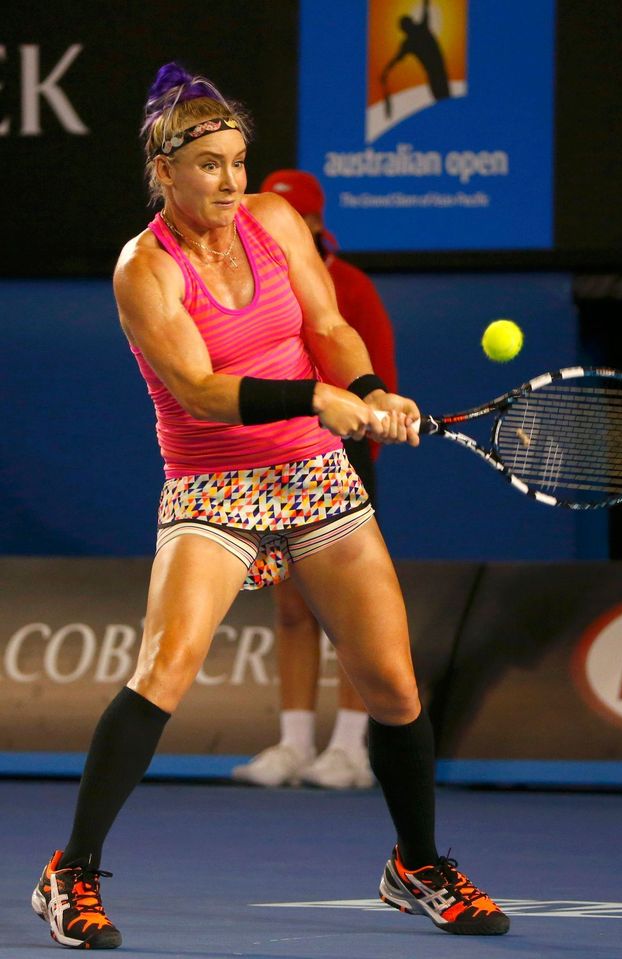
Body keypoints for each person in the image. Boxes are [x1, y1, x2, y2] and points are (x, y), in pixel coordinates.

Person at [30, 62, 510, 949]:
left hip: (312, 472)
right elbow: (203, 390)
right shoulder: (144, 270)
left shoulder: (275, 221)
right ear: (163, 170)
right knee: (165, 666)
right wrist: (318, 402)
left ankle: (418, 863)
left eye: (239, 162)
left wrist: (366, 385)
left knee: (395, 684)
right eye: (209, 165)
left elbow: (326, 326)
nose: (230, 182)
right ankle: (71, 873)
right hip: (214, 482)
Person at [231, 169, 398, 789]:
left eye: (297, 220)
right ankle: (294, 743)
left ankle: (351, 750)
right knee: (292, 608)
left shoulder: (350, 287)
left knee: (348, 614)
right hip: (271, 459)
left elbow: (375, 375)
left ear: (318, 225)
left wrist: (375, 415)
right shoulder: (246, 285)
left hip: (340, 461)